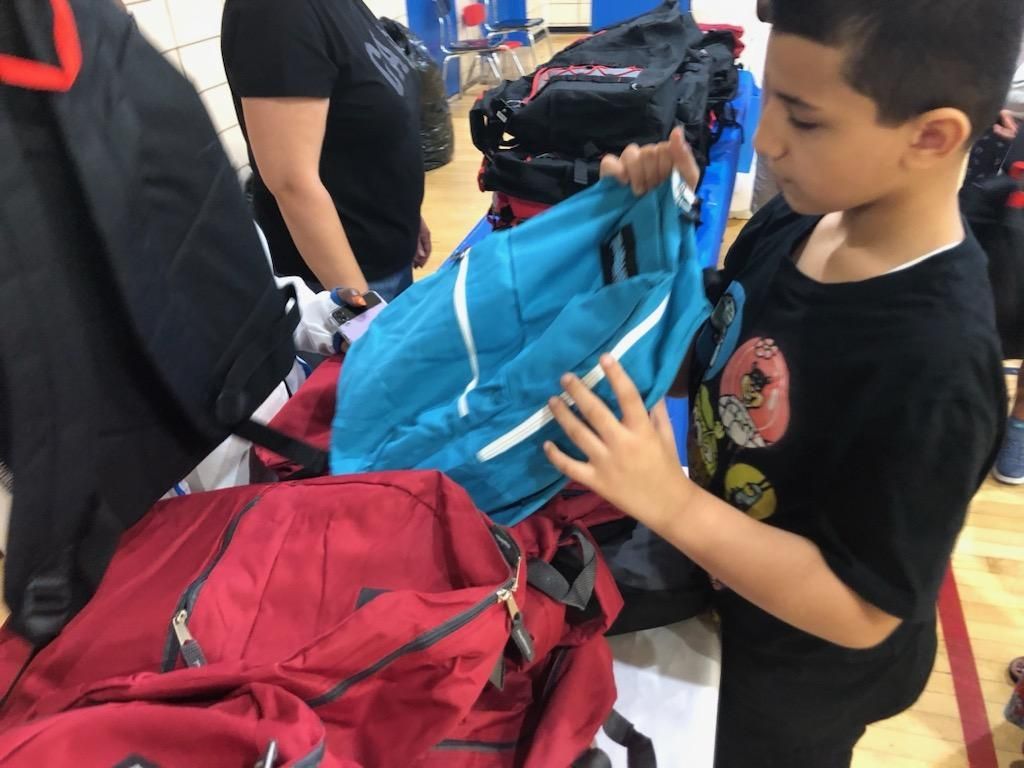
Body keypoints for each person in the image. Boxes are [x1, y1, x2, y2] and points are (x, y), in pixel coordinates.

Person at [543, 1, 1020, 765]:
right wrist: (655, 222)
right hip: (720, 584)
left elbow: (863, 608)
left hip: (807, 668)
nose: (765, 140)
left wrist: (667, 501)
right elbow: (718, 340)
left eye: (804, 118)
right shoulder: (803, 219)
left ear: (930, 137)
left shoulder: (936, 367)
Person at [221, 0, 431, 299]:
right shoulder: (275, 12)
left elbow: (365, 117)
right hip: (344, 276)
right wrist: (358, 308)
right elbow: (291, 183)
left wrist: (408, 215)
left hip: (386, 249)